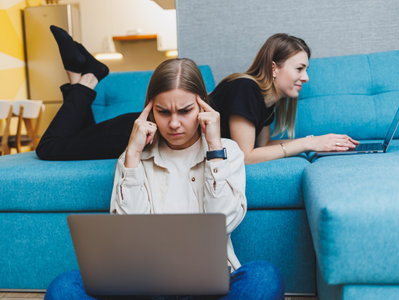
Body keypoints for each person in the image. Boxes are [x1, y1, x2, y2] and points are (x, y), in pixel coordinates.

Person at [44, 58, 285, 300]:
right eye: (163, 112)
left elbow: (225, 222)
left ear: (203, 108)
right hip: (144, 286)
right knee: (64, 286)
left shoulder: (226, 152)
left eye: (185, 111)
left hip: (207, 287)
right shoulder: (131, 159)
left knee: (264, 276)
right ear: (149, 110)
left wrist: (213, 148)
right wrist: (133, 157)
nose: (174, 123)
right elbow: (129, 233)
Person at [209, 33, 359, 164]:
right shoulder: (245, 88)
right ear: (273, 68)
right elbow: (245, 156)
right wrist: (308, 143)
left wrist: (319, 142)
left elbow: (263, 146)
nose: (306, 78)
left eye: (306, 70)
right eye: (299, 69)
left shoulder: (266, 99)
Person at [36, 25, 140, 160]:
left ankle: (81, 79)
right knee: (51, 147)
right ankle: (86, 78)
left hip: (141, 126)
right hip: (142, 128)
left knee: (52, 146)